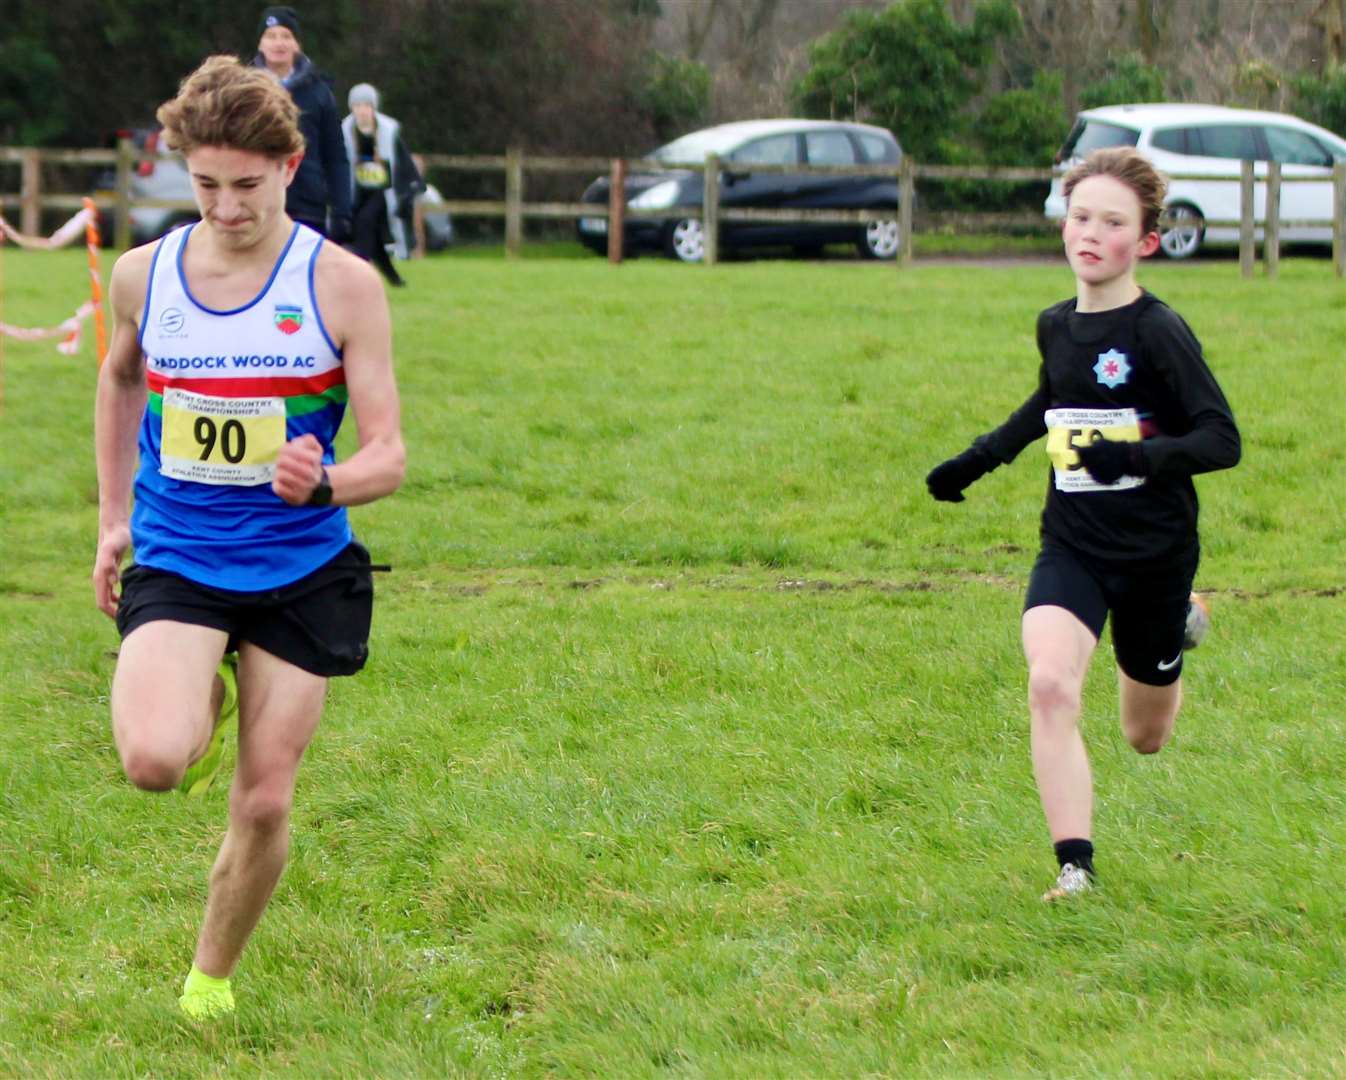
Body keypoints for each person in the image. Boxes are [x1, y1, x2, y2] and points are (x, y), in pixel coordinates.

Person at [93, 55, 405, 1018]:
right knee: (153, 760)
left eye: (248, 186)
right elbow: (118, 382)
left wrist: (328, 482)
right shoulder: (146, 275)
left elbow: (388, 456)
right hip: (181, 555)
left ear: (290, 164)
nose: (226, 208)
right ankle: (201, 703)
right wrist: (112, 521)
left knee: (265, 799)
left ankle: (208, 986)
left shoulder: (342, 285)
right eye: (206, 185)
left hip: (300, 566)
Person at [925, 147, 1240, 902]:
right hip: (1072, 544)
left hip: (1155, 554)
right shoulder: (1054, 326)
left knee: (1145, 736)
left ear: (1146, 241)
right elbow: (1049, 401)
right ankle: (1076, 868)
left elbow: (1220, 440)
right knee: (1050, 685)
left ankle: (1180, 624)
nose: (1090, 232)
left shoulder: (1160, 331)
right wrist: (978, 459)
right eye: (1080, 217)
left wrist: (1132, 453)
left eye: (1112, 221)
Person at [253, 5, 352, 243]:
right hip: (257, 203)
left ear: (297, 44)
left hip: (307, 208)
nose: (279, 43)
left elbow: (335, 156)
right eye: (271, 36)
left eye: (286, 36)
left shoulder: (319, 92)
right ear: (260, 44)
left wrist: (341, 211)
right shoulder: (243, 89)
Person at [341, 83, 425, 287]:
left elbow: (402, 160)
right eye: (358, 105)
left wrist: (413, 185)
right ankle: (393, 278)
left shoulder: (388, 131)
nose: (362, 110)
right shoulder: (344, 132)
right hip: (357, 192)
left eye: (367, 105)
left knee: (365, 224)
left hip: (382, 192)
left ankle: (359, 274)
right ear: (352, 108)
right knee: (373, 236)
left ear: (374, 107)